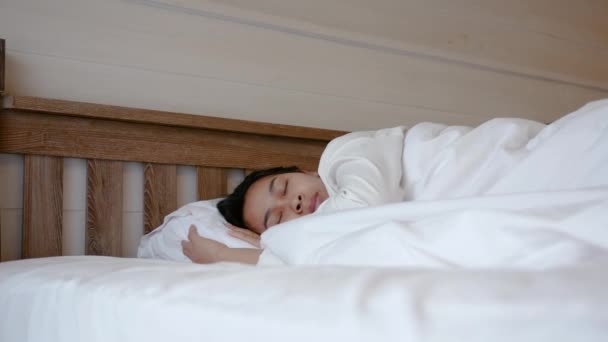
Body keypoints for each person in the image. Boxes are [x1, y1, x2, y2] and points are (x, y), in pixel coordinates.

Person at [182, 126, 409, 264]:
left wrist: (281, 243)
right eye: (278, 219)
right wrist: (222, 254)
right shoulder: (339, 241)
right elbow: (327, 261)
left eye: (284, 187)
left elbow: (364, 207)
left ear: (305, 171)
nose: (295, 203)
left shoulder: (344, 151)